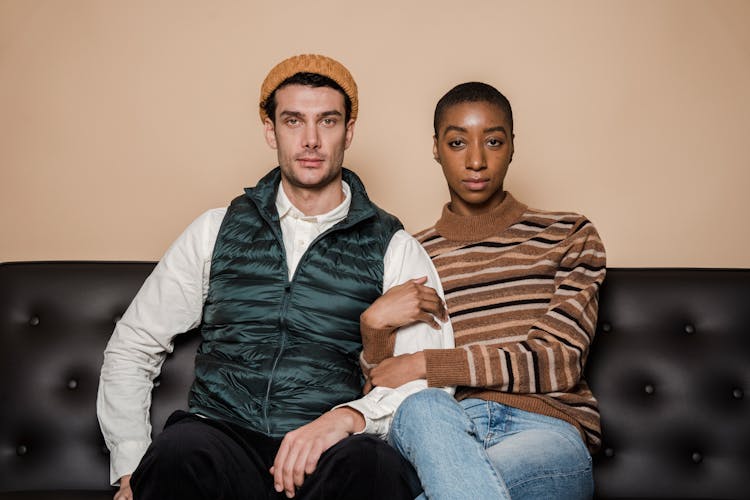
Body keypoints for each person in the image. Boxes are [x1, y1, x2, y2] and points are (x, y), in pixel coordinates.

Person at [96, 54, 453, 500]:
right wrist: (132, 466)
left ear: (349, 132)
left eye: (327, 121)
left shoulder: (394, 246)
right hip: (221, 436)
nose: (311, 140)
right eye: (293, 121)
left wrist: (346, 419)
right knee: (177, 451)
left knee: (374, 465)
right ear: (271, 131)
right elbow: (134, 343)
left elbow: (428, 382)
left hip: (326, 449)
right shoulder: (216, 229)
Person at [359, 82, 606, 499]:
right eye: (457, 142)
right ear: (436, 148)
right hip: (439, 432)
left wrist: (426, 363)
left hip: (545, 430)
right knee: (422, 407)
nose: (476, 160)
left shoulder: (568, 234)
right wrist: (374, 326)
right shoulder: (409, 254)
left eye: (493, 141)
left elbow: (560, 359)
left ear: (512, 146)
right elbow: (382, 388)